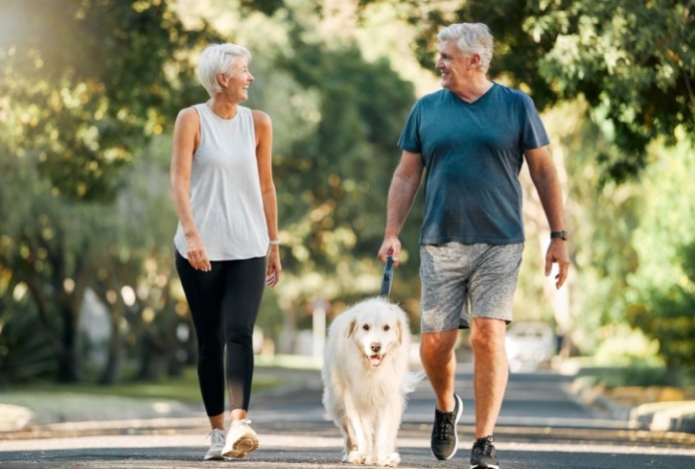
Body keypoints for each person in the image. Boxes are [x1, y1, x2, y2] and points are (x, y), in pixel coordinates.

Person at [377, 23, 569, 469]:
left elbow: (544, 172)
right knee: (434, 345)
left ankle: (484, 441)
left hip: (500, 241)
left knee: (488, 334)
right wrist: (391, 232)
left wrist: (558, 237)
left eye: (446, 56)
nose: (438, 62)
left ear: (474, 60)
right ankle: (447, 407)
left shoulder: (516, 105)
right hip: (439, 241)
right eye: (439, 55)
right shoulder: (426, 109)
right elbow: (406, 176)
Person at [170, 42, 281, 461]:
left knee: (240, 333)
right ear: (222, 79)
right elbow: (179, 181)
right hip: (200, 249)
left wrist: (273, 243)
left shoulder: (259, 123)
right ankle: (217, 432)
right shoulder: (191, 119)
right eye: (243, 70)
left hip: (248, 245)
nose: (250, 77)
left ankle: (239, 424)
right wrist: (192, 235)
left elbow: (267, 186)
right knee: (210, 340)